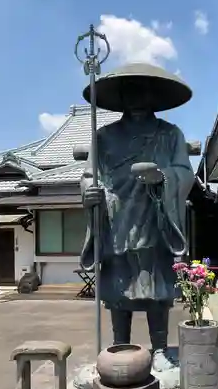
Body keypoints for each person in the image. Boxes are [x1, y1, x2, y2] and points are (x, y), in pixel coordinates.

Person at [80, 63, 194, 373]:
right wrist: (90, 193)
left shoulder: (170, 135)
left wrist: (163, 177)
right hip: (118, 217)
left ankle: (160, 350)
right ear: (120, 97)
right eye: (130, 91)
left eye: (144, 91)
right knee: (120, 288)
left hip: (155, 215)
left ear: (155, 96)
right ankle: (120, 345)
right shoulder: (103, 136)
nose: (137, 98)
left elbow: (185, 173)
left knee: (156, 286)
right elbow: (91, 175)